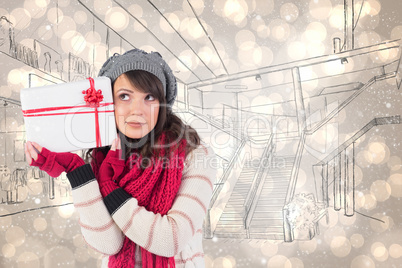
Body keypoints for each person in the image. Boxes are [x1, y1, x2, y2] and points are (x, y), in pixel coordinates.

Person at [24, 49, 217, 268]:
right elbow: (108, 244)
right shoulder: (102, 156)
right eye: (124, 96)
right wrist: (77, 171)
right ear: (109, 102)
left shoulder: (194, 154)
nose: (137, 110)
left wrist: (108, 186)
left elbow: (170, 240)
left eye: (149, 97)